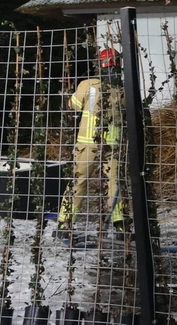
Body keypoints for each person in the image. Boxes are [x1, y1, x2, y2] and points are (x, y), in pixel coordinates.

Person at [56, 47, 126, 241]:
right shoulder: (122, 88)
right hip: (113, 145)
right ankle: (119, 224)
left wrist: (65, 94)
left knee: (78, 182)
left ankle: (65, 223)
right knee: (114, 183)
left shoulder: (88, 84)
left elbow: (72, 107)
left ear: (100, 65)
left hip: (87, 144)